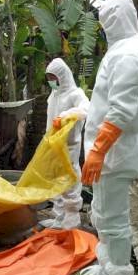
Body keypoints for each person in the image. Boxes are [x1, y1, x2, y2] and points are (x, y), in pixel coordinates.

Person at [80, 0, 138, 275]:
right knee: (101, 214)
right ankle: (107, 267)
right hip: (110, 151)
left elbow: (122, 111)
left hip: (115, 151)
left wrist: (98, 150)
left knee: (114, 218)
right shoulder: (124, 49)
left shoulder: (127, 54)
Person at [43, 58, 90, 229]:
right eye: (48, 77)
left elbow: (85, 108)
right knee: (56, 179)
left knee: (69, 178)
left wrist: (65, 117)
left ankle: (71, 217)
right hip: (53, 144)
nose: (51, 81)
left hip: (69, 145)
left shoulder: (75, 93)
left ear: (62, 76)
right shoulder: (54, 94)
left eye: (53, 77)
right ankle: (59, 215)